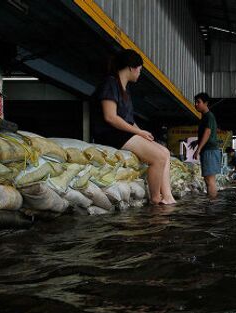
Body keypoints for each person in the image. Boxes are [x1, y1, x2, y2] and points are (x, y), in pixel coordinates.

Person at [95, 49, 176, 205]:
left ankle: (168, 197)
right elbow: (110, 117)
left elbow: (129, 120)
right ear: (131, 67)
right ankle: (155, 199)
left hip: (123, 132)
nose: (140, 72)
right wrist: (138, 132)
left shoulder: (124, 89)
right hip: (111, 133)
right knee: (157, 158)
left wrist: (142, 133)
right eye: (140, 69)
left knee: (164, 152)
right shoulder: (110, 83)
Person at [192, 92, 221, 198]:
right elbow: (207, 134)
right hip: (209, 150)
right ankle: (212, 204)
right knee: (208, 179)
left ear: (206, 103)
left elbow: (208, 133)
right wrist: (197, 142)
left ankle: (212, 206)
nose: (196, 104)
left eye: (198, 102)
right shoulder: (205, 117)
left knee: (210, 180)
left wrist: (198, 149)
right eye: (195, 102)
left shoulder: (209, 116)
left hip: (210, 151)